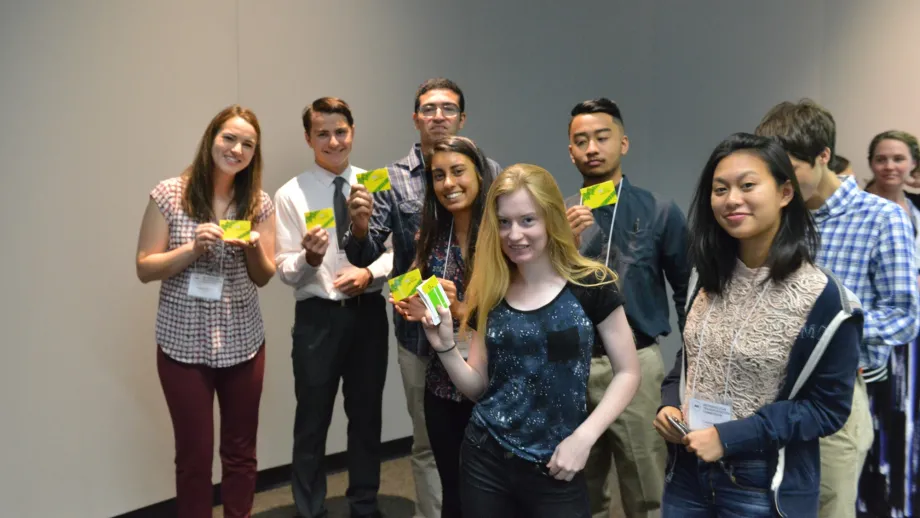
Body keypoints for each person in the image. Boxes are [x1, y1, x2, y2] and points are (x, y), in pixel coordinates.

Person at [654, 132, 862, 517]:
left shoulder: (825, 299)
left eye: (747, 186)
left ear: (785, 193)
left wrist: (731, 436)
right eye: (720, 189)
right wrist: (669, 404)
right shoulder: (706, 275)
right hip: (686, 467)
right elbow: (691, 357)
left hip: (761, 479)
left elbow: (827, 408)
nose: (732, 199)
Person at [421, 164, 641, 518]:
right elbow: (478, 388)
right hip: (485, 458)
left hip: (557, 463)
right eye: (504, 222)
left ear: (551, 219)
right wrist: (445, 346)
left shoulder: (590, 284)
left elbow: (628, 372)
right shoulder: (491, 289)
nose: (515, 234)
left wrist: (583, 439)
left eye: (527, 220)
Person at [343, 77, 501, 518]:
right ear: (415, 118)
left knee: (489, 440)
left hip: (488, 335)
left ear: (461, 118)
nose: (438, 117)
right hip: (420, 339)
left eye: (448, 109)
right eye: (428, 109)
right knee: (432, 441)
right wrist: (358, 228)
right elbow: (366, 251)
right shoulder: (390, 178)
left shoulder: (489, 170)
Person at [754, 99, 920, 518]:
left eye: (791, 169)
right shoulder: (777, 215)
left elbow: (903, 314)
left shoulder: (881, 218)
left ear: (823, 156)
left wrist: (831, 338)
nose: (781, 182)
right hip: (764, 393)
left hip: (833, 398)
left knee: (827, 505)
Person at [135, 105, 276, 518]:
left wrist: (253, 247)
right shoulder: (169, 194)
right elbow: (145, 267)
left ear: (255, 153)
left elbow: (264, 276)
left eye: (247, 144)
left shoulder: (258, 202)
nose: (237, 149)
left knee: (240, 453)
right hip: (182, 346)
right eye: (229, 138)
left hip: (243, 344)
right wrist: (192, 249)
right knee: (194, 459)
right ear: (211, 138)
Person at [565, 97, 689, 518]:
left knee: (647, 486)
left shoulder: (660, 211)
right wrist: (560, 245)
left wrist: (690, 367)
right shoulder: (555, 217)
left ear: (624, 143)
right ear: (570, 151)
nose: (592, 148)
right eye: (581, 141)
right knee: (579, 484)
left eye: (602, 137)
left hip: (637, 362)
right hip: (572, 364)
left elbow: (687, 289)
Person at [274, 97, 393, 518]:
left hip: (367, 315)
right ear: (309, 138)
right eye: (322, 133)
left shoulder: (378, 182)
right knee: (312, 421)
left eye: (340, 131)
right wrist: (307, 258)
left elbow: (398, 252)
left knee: (366, 417)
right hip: (318, 320)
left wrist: (369, 274)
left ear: (353, 132)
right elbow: (283, 269)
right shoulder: (290, 194)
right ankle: (310, 510)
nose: (333, 141)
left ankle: (364, 504)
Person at [395, 136, 493, 518]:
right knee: (452, 491)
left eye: (457, 172)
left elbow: (520, 311)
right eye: (438, 176)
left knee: (490, 494)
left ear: (480, 176)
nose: (448, 183)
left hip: (495, 386)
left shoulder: (505, 235)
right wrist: (411, 303)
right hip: (442, 383)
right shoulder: (433, 233)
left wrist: (462, 307)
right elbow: (412, 282)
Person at [858, 130, 920, 518]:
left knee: (907, 418)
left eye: (898, 158)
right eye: (882, 159)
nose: (890, 166)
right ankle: (870, 501)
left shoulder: (917, 214)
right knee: (872, 420)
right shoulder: (861, 212)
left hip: (912, 343)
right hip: (871, 335)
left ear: (913, 163)